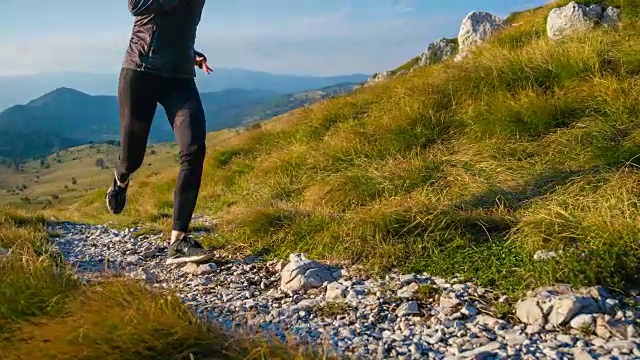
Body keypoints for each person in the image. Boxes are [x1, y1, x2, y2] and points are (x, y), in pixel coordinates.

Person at [106, 0, 214, 265]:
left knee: (194, 149)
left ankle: (178, 241)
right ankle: (121, 179)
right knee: (133, 158)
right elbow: (137, 6)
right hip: (140, 71)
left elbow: (179, 25)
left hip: (179, 79)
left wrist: (191, 54)